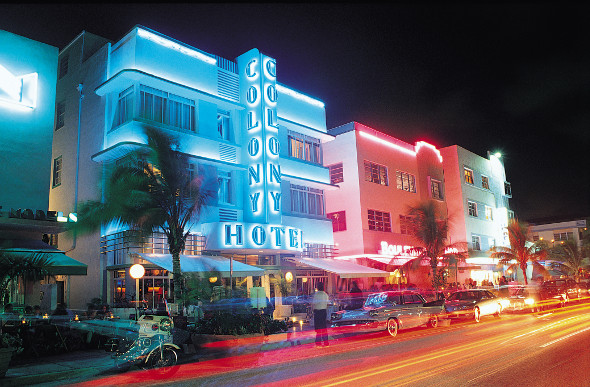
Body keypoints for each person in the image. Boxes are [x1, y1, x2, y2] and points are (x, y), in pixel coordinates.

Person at [312, 282, 329, 347]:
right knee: (324, 327)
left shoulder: (316, 295)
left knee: (318, 328)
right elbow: (327, 303)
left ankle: (318, 342)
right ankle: (326, 342)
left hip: (317, 312)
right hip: (323, 311)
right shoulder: (325, 295)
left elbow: (314, 303)